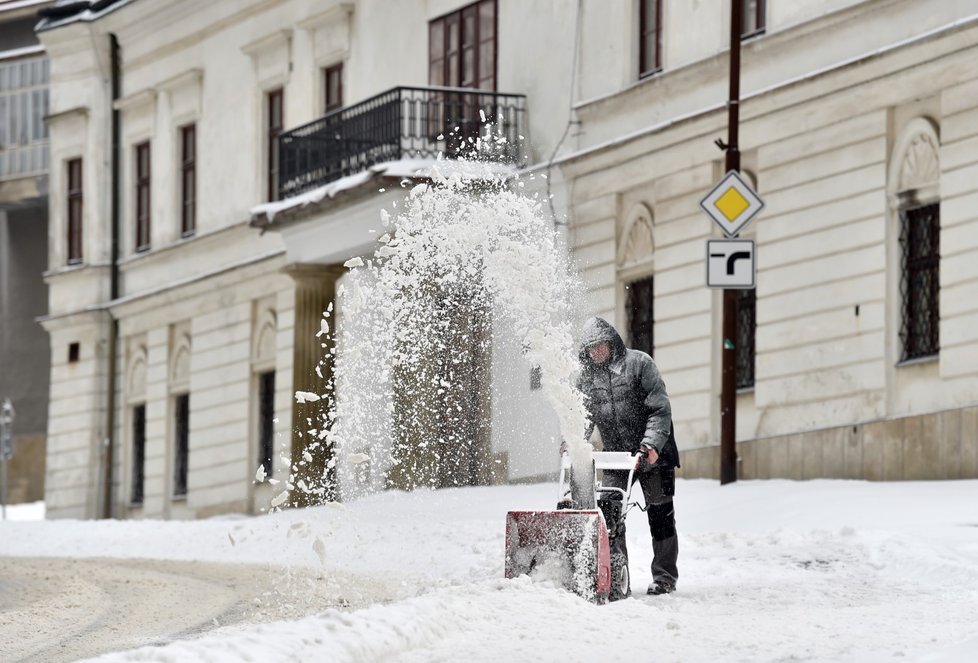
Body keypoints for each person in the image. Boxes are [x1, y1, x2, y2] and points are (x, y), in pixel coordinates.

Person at [577, 316, 681, 595]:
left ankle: (665, 577)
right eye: (591, 348)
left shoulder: (639, 364)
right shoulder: (587, 378)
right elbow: (582, 415)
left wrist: (649, 446)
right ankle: (615, 574)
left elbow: (659, 409)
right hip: (617, 456)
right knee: (608, 513)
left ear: (611, 343)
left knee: (660, 515)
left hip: (653, 453)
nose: (596, 352)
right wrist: (574, 441)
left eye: (600, 346)